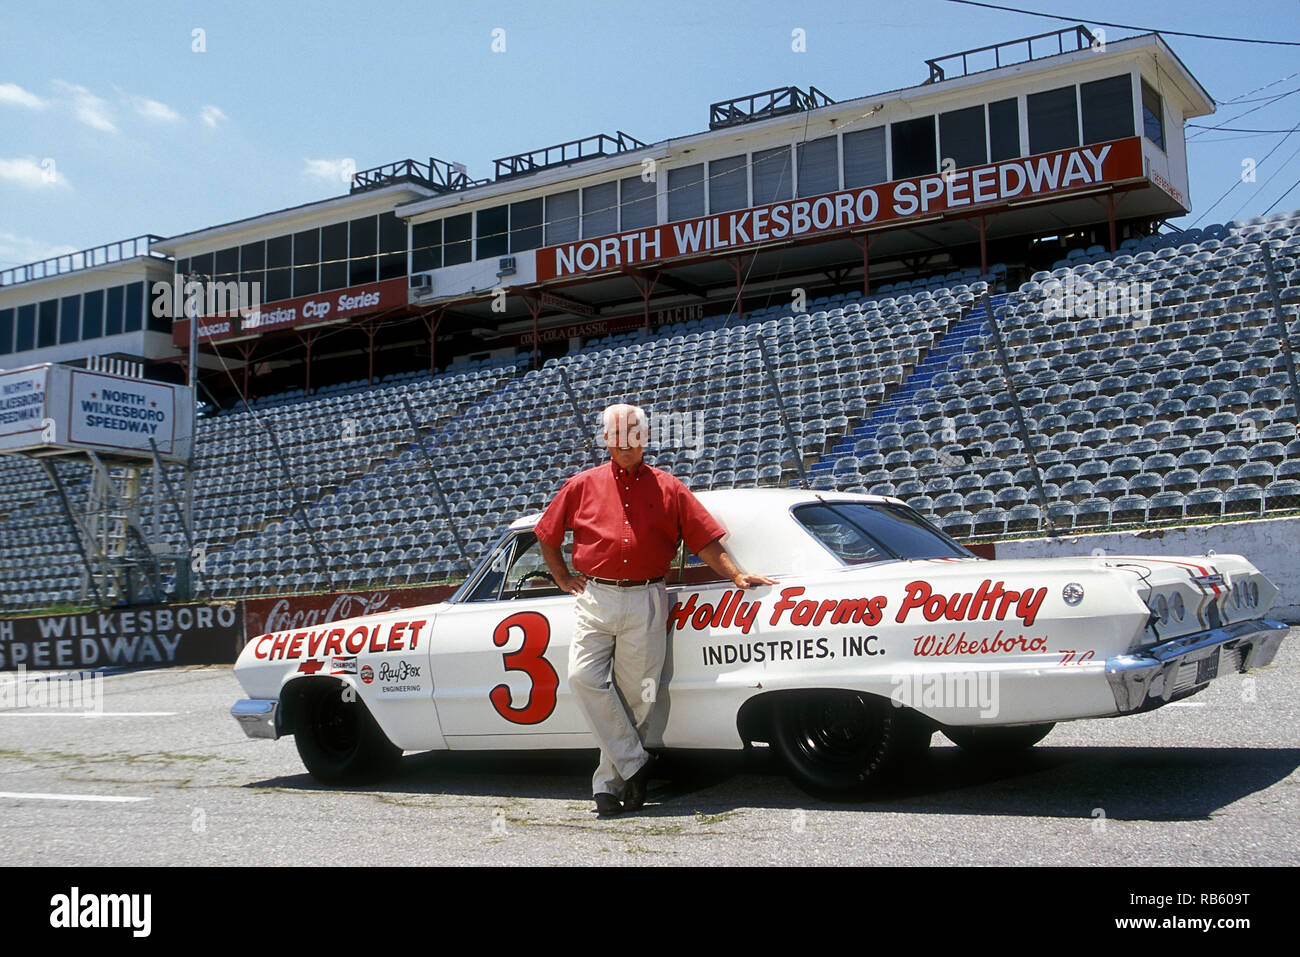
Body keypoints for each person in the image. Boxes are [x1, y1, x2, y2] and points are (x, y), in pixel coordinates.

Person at [534, 403, 776, 817]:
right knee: (581, 678)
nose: (627, 442)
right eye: (618, 434)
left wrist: (736, 575)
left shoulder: (669, 487)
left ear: (645, 438)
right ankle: (636, 763)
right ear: (606, 439)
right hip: (596, 596)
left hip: (647, 595)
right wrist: (562, 578)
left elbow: (704, 540)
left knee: (637, 698)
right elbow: (547, 534)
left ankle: (608, 786)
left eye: (634, 433)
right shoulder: (581, 485)